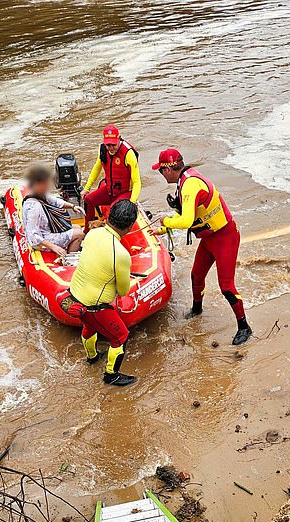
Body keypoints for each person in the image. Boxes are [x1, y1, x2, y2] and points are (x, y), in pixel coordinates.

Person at [152, 149, 252, 345]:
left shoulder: (189, 186)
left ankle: (244, 326)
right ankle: (197, 309)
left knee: (227, 287)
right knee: (196, 275)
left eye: (160, 171)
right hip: (209, 238)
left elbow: (187, 219)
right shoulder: (184, 180)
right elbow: (191, 217)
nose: (160, 175)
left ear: (169, 169)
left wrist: (166, 221)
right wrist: (163, 230)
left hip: (225, 237)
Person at [61, 199, 139, 387]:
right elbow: (122, 290)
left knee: (89, 328)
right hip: (94, 306)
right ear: (129, 227)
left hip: (74, 297)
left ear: (109, 217)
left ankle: (92, 357)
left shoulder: (93, 234)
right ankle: (111, 375)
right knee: (121, 337)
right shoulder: (121, 254)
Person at [81, 125, 141, 232]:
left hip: (125, 192)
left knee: (114, 212)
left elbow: (137, 182)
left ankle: (107, 234)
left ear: (119, 139)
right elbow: (96, 169)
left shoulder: (128, 153)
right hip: (109, 189)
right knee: (88, 200)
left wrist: (131, 203)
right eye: (108, 145)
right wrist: (87, 188)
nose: (111, 148)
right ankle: (87, 231)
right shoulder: (103, 150)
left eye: (113, 144)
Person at [22, 163, 84, 256]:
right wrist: (54, 247)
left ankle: (70, 248)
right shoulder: (34, 207)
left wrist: (73, 206)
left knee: (77, 227)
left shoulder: (39, 194)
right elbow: (33, 236)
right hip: (42, 240)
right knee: (79, 234)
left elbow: (55, 202)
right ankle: (69, 259)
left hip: (46, 231)